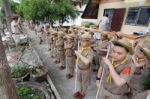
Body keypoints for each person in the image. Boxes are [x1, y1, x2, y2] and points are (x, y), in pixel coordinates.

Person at [73, 32, 94, 99]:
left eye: (83, 41)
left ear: (88, 42)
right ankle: (80, 91)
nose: (81, 42)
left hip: (85, 70)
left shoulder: (90, 51)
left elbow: (87, 61)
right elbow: (78, 59)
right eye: (81, 40)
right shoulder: (81, 48)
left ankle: (83, 93)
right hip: (79, 68)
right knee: (80, 81)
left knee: (84, 83)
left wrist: (79, 54)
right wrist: (76, 67)